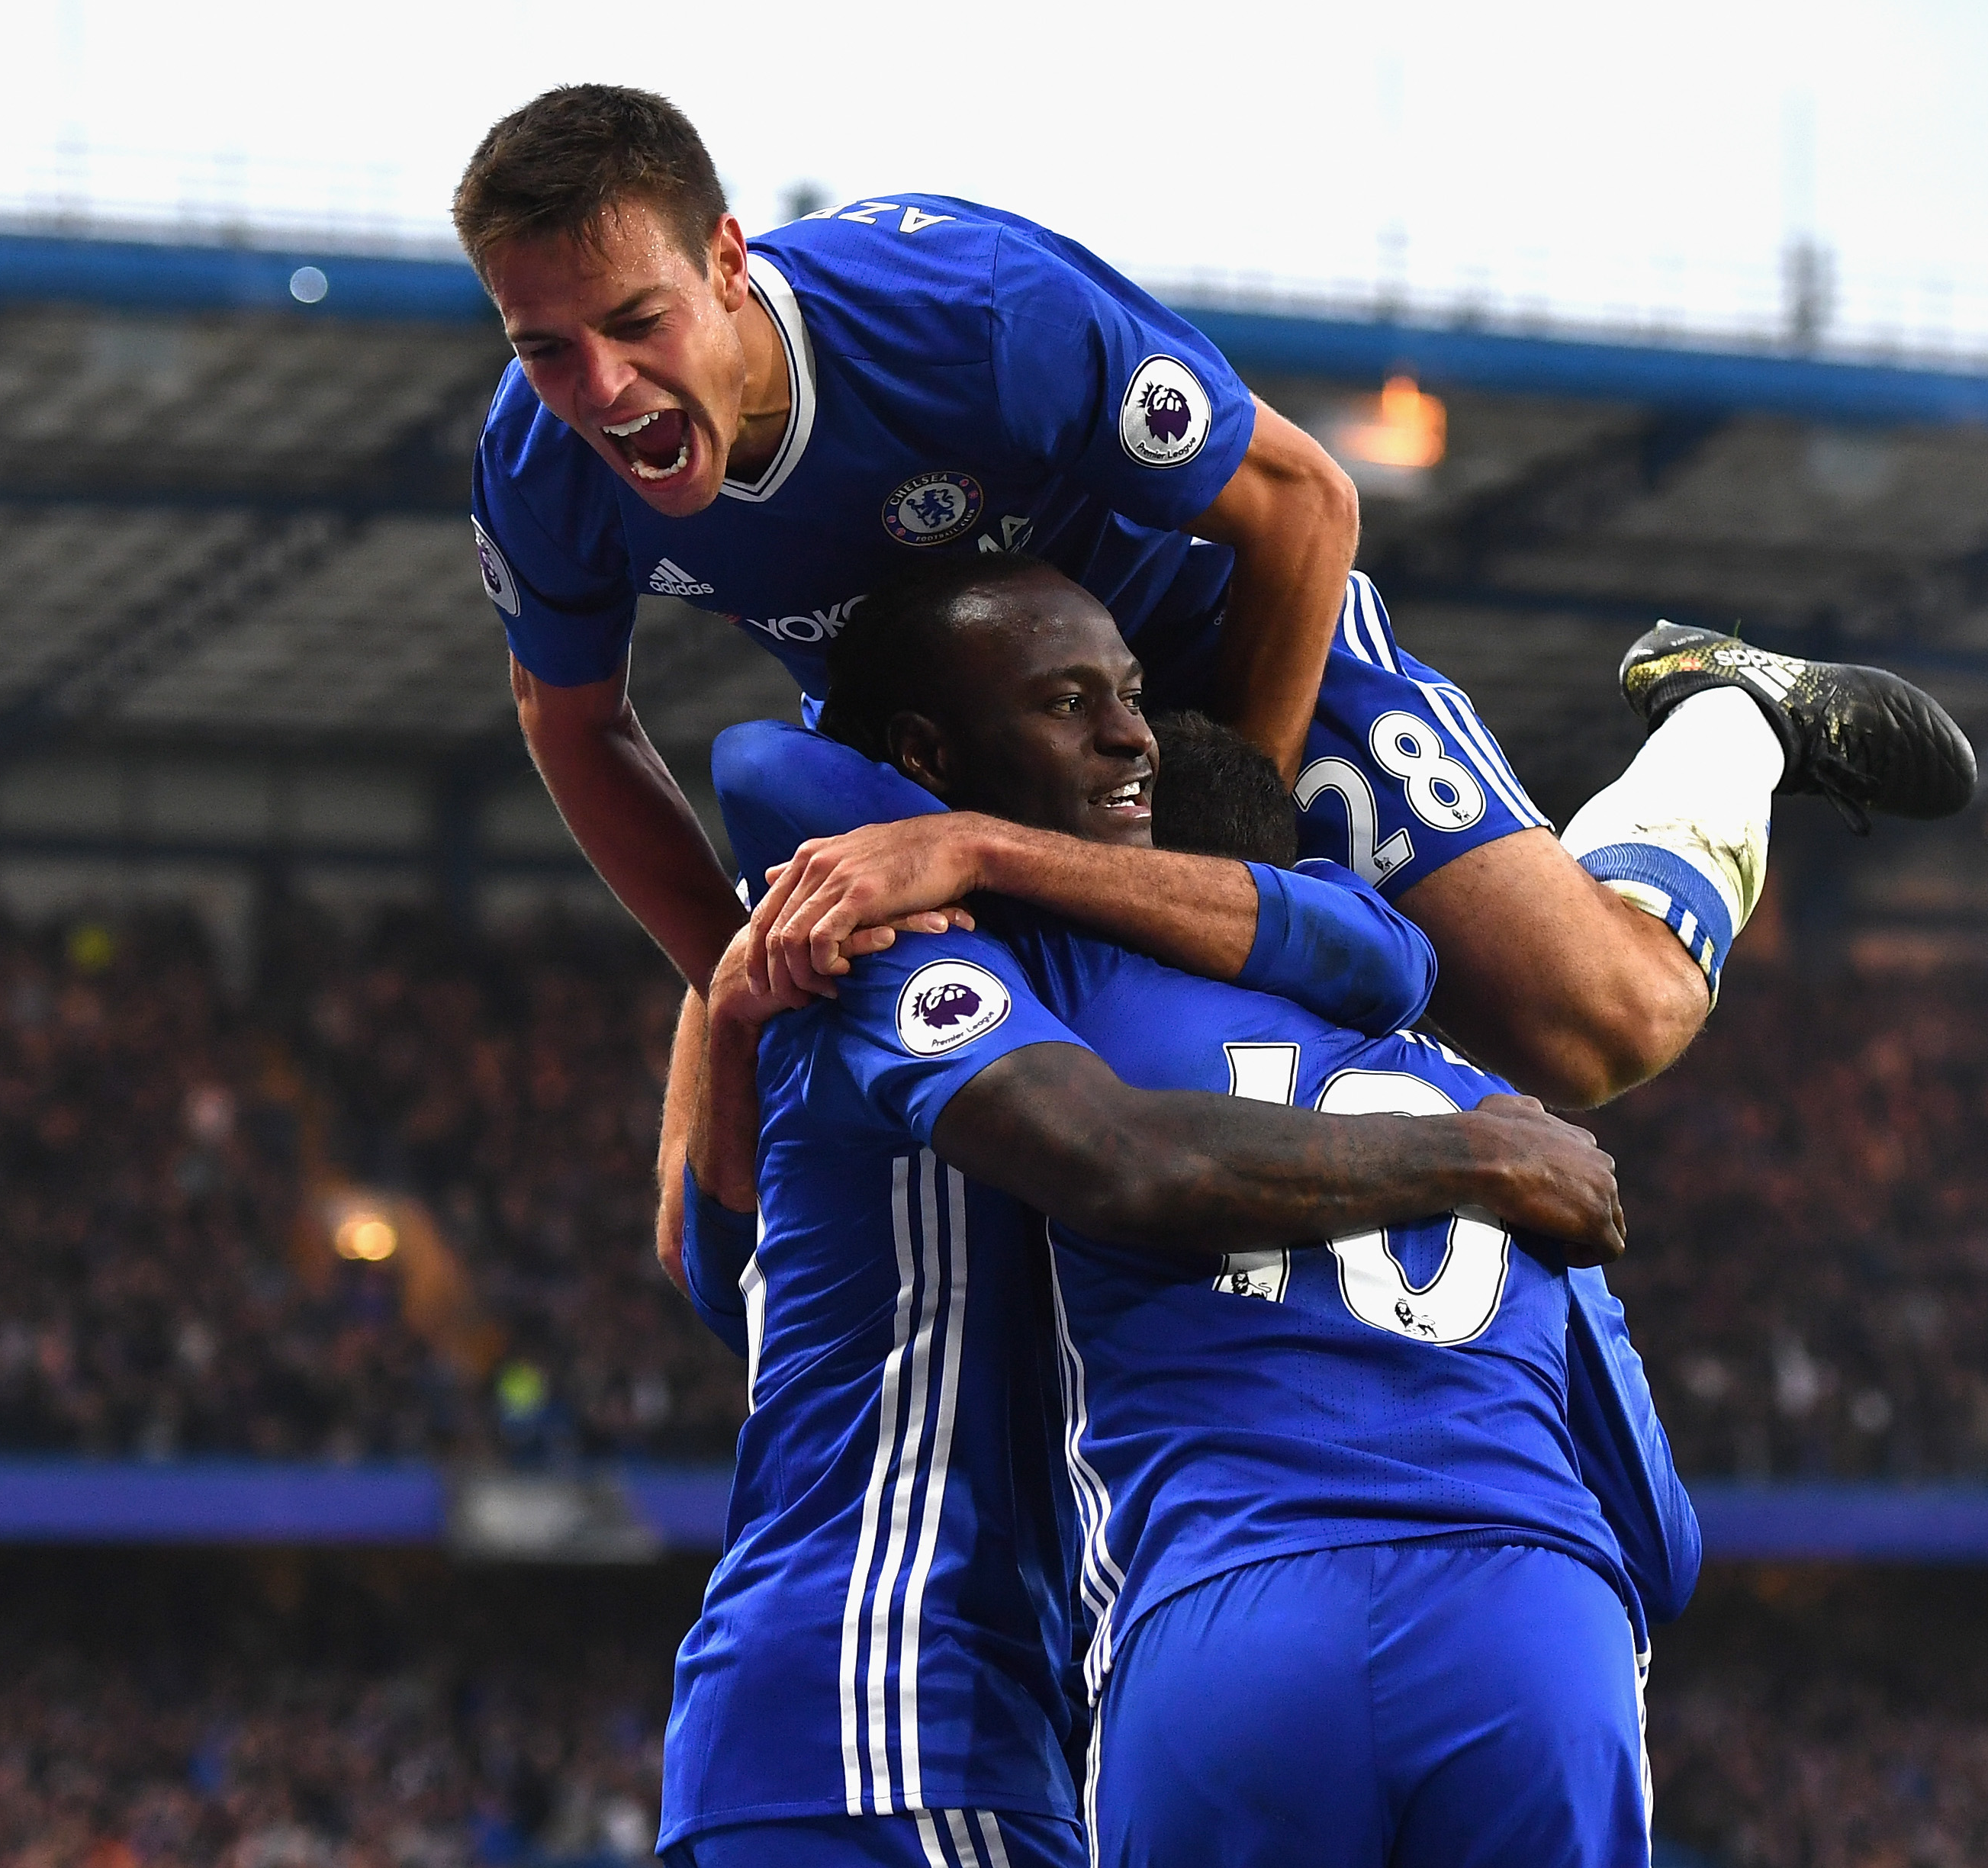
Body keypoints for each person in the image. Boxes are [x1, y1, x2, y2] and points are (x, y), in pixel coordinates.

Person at [455, 83, 1977, 1106]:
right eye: (541, 347)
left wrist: (1226, 803)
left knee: (1598, 1031)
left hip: (1203, 653)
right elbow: (573, 724)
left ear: (726, 262)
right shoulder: (540, 466)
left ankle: (1729, 718)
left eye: (633, 322)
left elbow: (1304, 504)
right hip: (938, 762)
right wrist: (724, 965)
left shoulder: (973, 316)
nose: (597, 388)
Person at [693, 555, 1701, 1863]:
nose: (1119, 739)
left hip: (1192, 1625)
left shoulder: (1048, 988)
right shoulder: (1494, 1113)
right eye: (1068, 704)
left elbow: (720, 1274)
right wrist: (1471, 1161)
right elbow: (1664, 1545)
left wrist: (738, 999)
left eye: (1127, 704)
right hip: (925, 1697)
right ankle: (1727, 739)